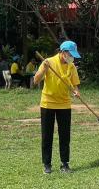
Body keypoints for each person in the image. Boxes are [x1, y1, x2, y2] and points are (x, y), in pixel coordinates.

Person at [33, 41, 81, 174]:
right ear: (63, 52)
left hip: (65, 104)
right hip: (48, 103)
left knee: (65, 135)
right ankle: (47, 164)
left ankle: (65, 164)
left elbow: (75, 84)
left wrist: (76, 91)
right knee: (47, 135)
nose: (72, 58)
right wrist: (44, 69)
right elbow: (36, 80)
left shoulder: (71, 67)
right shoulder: (48, 62)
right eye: (71, 54)